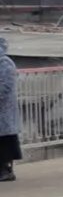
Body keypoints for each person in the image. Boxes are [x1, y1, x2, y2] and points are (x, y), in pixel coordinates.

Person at [0, 37, 18, 181]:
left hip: (3, 111)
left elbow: (5, 86)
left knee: (5, 141)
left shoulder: (5, 62)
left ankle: (6, 171)